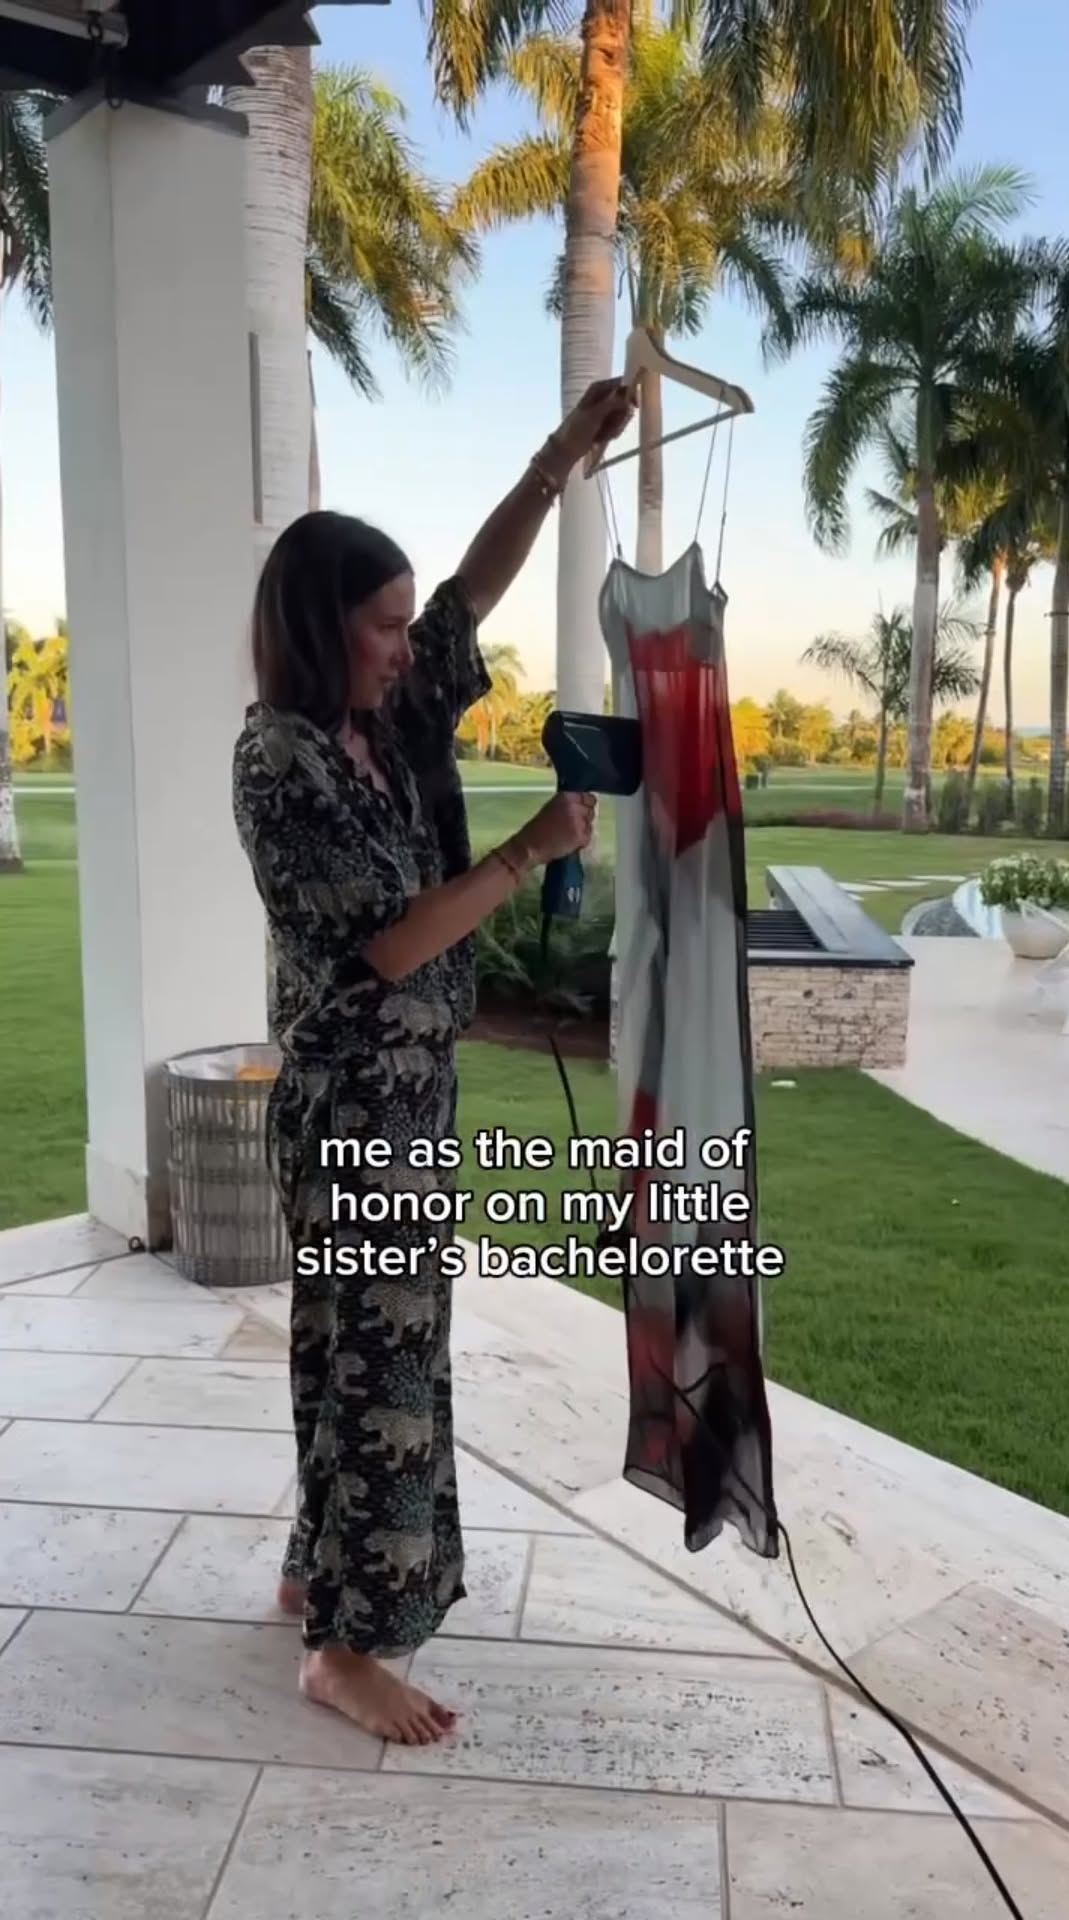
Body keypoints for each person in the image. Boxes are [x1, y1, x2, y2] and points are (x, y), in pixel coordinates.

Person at [232, 380, 635, 1746]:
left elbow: (474, 589)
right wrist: (527, 852)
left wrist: (560, 456)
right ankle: (349, 1651)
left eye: (408, 627)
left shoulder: (391, 720)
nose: (412, 647)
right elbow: (392, 946)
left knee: (345, 1348)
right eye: (385, 627)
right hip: (352, 1103)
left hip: (409, 1099)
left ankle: (315, 1573)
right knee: (384, 1365)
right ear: (318, 629)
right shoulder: (280, 762)